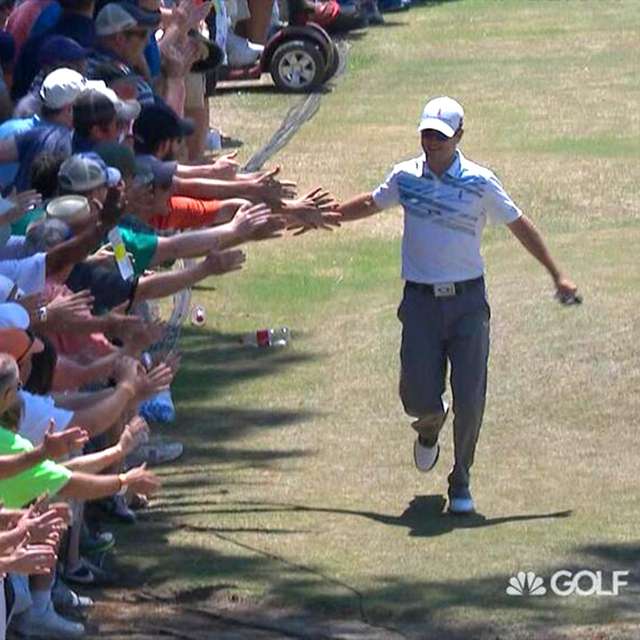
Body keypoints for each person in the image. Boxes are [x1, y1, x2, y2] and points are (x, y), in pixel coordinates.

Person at [333, 96, 579, 514]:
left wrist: (557, 274)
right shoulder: (405, 176)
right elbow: (370, 203)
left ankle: (461, 477)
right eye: (427, 134)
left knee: (471, 395)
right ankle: (429, 427)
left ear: (459, 136)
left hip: (467, 302)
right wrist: (321, 216)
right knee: (417, 395)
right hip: (420, 303)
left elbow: (520, 226)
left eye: (441, 137)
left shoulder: (481, 182)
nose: (432, 142)